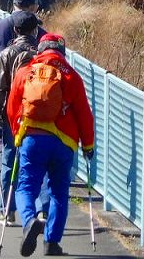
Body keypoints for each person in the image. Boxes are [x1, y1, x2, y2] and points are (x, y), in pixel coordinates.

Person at [7, 33, 95, 257]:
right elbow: (84, 114)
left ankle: (29, 221)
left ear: (40, 50)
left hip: (33, 138)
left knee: (26, 187)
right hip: (63, 142)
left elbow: (12, 107)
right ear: (62, 53)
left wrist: (18, 133)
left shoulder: (25, 72)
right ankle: (52, 243)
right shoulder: (72, 77)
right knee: (58, 192)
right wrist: (88, 145)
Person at [0, 11, 42, 226]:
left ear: (15, 31)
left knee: (10, 160)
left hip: (13, 115)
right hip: (39, 115)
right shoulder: (42, 54)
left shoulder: (7, 54)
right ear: (35, 30)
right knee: (36, 162)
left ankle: (6, 210)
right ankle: (39, 210)